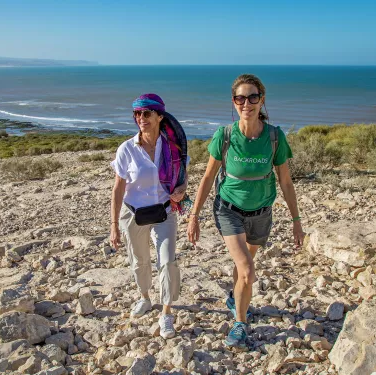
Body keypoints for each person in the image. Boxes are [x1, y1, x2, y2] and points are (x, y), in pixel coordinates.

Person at [187, 74, 305, 350]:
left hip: (262, 213)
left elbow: (286, 181)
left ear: (261, 100)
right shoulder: (225, 136)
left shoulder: (274, 137)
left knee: (243, 269)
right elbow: (207, 178)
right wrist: (194, 216)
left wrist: (297, 221)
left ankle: (235, 297)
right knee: (248, 271)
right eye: (241, 98)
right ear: (234, 102)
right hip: (229, 210)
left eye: (253, 97)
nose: (247, 103)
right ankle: (240, 323)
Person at [110, 93, 189, 339]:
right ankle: (145, 297)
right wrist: (113, 225)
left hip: (164, 212)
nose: (141, 118)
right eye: (137, 114)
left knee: (167, 261)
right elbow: (118, 188)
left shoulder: (173, 146)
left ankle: (166, 313)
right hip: (134, 214)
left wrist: (182, 189)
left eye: (146, 114)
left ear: (159, 116)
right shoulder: (127, 148)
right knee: (139, 261)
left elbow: (182, 175)